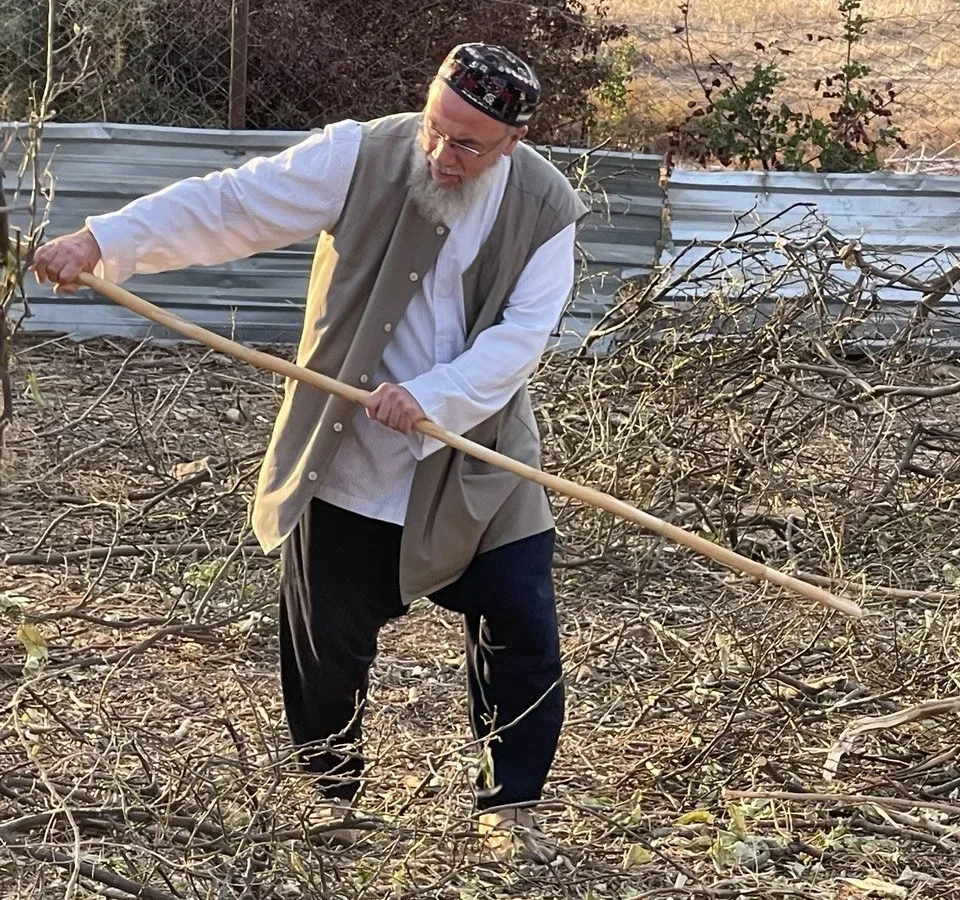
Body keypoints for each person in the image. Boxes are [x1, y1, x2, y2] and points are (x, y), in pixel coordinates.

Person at [32, 43, 587, 863]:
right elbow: (230, 205)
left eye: (468, 144)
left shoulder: (547, 208)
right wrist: (100, 243)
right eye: (436, 127)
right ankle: (332, 803)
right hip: (351, 454)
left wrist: (432, 398)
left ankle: (511, 809)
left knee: (523, 623)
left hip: (477, 458)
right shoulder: (357, 154)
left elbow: (521, 339)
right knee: (325, 639)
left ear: (516, 139)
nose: (441, 153)